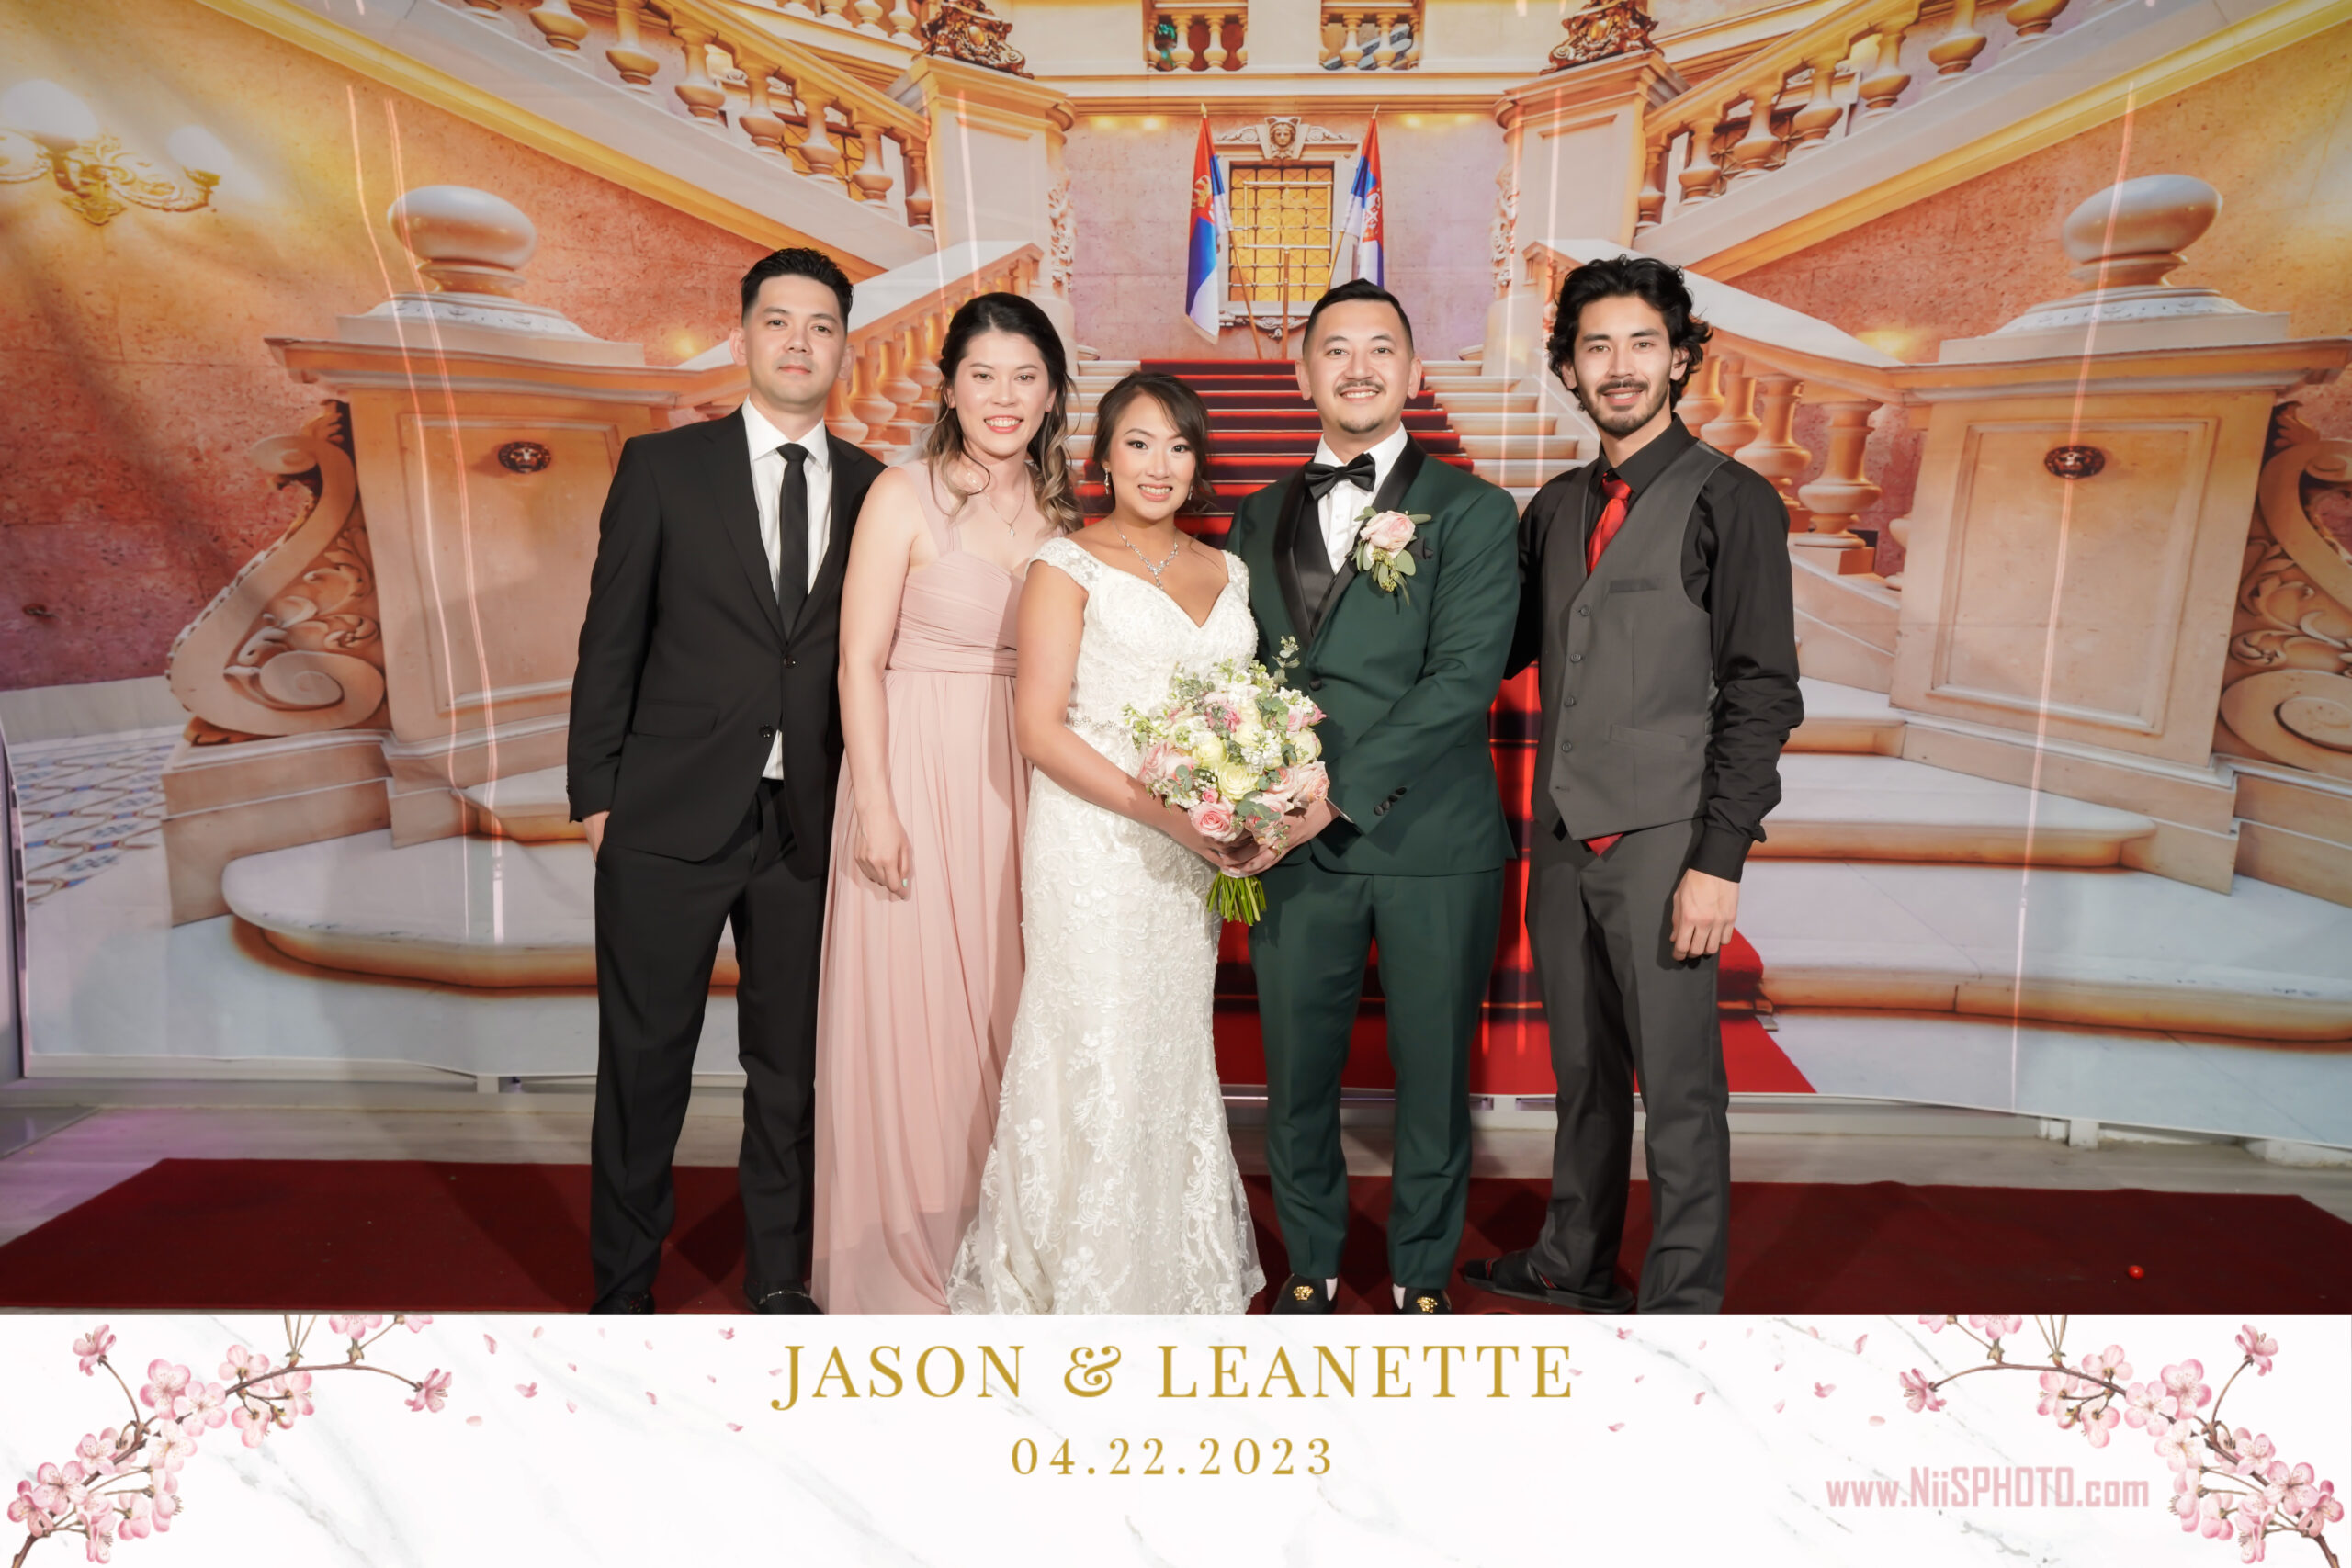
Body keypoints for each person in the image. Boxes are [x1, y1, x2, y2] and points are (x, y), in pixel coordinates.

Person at [1464, 254, 1802, 1316]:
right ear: (1567, 368)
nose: (1619, 366)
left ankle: (1681, 1306)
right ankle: (1571, 1260)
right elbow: (1501, 650)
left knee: (1682, 1087)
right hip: (1564, 836)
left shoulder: (1733, 502)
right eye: (1596, 346)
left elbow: (1762, 692)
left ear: (1681, 358)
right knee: (1583, 1070)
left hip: (1666, 842)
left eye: (1641, 344)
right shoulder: (1555, 507)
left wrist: (1718, 862)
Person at [568, 247, 884, 1315]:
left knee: (790, 1069)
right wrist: (597, 797)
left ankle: (781, 1280)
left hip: (807, 824)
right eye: (779, 322)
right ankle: (622, 1291)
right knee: (643, 1064)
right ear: (745, 335)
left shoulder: (874, 488)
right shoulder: (665, 469)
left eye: (821, 326)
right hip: (665, 815)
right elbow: (610, 639)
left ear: (845, 349)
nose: (800, 343)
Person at [1222, 280, 1521, 1316]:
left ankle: (1420, 1275)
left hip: (1432, 836)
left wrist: (1334, 795)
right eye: (1336, 349)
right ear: (1303, 373)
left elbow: (1463, 679)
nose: (1358, 367)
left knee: (1432, 1073)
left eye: (1380, 348)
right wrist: (1245, 791)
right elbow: (1240, 672)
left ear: (1414, 372)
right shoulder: (1257, 515)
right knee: (1296, 1070)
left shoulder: (1475, 511)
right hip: (1292, 847)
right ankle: (1310, 1264)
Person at [947, 371, 1265, 1314]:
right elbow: (1039, 729)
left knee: (1169, 1045)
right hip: (1095, 843)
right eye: (1138, 442)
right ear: (1103, 457)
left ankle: (1171, 1269)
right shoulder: (1065, 564)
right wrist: (1165, 814)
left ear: (1198, 461)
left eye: (1179, 445)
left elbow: (1239, 712)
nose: (1159, 464)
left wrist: (1242, 798)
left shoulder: (1231, 571)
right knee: (1095, 1045)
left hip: (1190, 854)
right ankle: (1081, 1275)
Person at [810, 291, 1078, 1314]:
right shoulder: (901, 494)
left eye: (1025, 377)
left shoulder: (1066, 513)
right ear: (951, 388)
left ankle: (1005, 1251)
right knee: (918, 1022)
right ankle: (911, 1256)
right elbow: (857, 660)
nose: (1003, 397)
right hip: (917, 772)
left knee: (1019, 1016)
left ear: (1052, 394)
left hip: (1032, 784)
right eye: (983, 375)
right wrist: (875, 806)